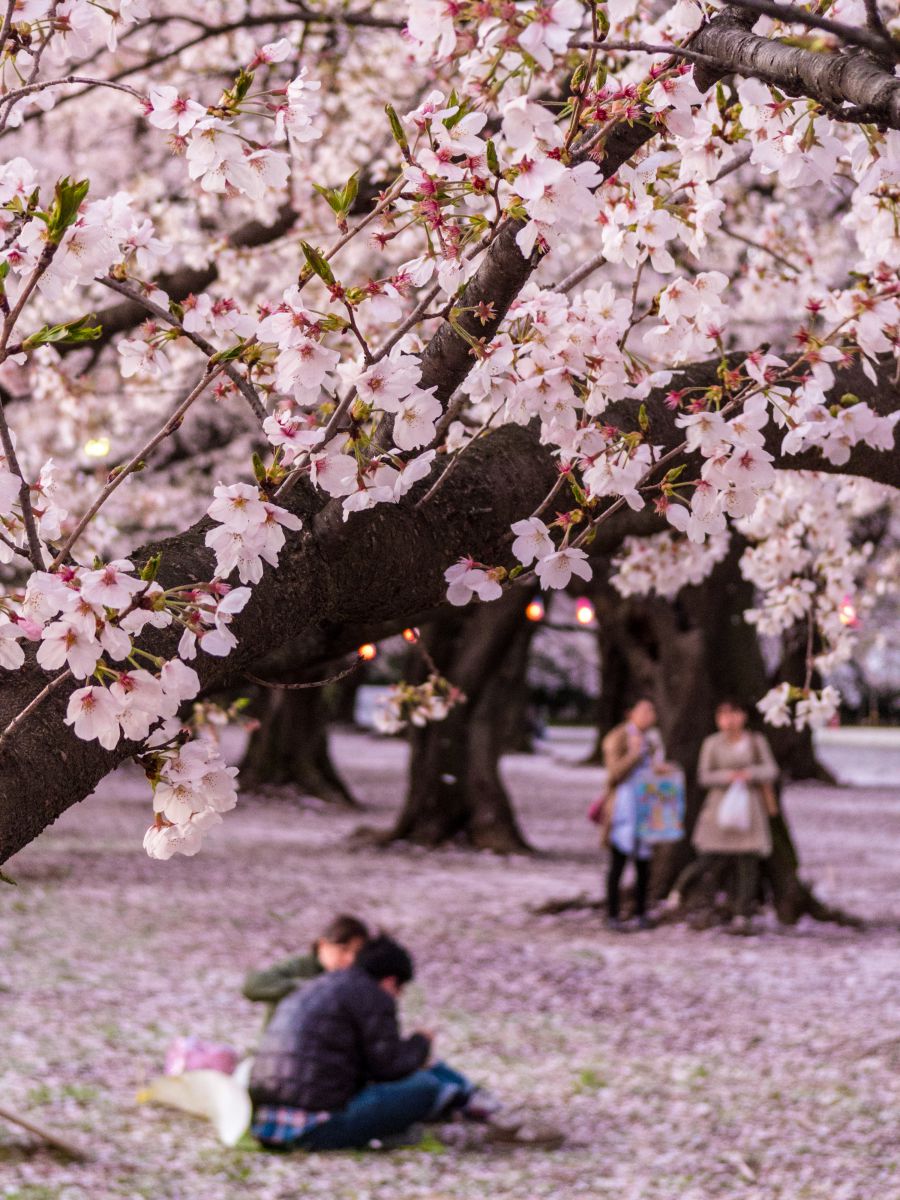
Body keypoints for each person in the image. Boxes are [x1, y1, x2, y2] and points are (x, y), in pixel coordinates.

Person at [248, 935, 485, 1151]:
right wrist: (421, 1042)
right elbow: (390, 1067)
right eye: (399, 989)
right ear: (391, 981)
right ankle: (474, 1104)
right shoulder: (372, 995)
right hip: (314, 1128)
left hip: (266, 1124)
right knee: (425, 1085)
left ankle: (469, 1101)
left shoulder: (318, 986)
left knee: (419, 1079)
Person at [674, 699, 779, 933]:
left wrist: (749, 774)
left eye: (734, 714)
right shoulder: (712, 743)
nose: (730, 720)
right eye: (724, 715)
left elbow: (771, 770)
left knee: (747, 862)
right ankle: (682, 892)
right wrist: (728, 776)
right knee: (708, 858)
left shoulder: (755, 741)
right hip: (720, 808)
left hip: (748, 808)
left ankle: (742, 911)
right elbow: (704, 776)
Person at [601, 697, 670, 932]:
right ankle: (612, 914)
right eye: (643, 711)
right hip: (623, 807)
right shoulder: (618, 737)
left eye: (651, 712)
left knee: (644, 865)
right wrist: (633, 754)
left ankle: (642, 913)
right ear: (631, 713)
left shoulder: (653, 739)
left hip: (646, 806)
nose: (648, 716)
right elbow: (614, 773)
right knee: (618, 863)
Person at [243, 914, 369, 1024]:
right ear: (322, 945)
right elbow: (252, 986)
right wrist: (313, 989)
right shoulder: (299, 966)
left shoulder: (358, 977)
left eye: (357, 953)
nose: (350, 959)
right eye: (343, 949)